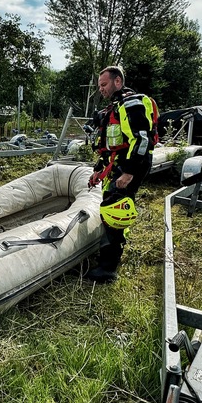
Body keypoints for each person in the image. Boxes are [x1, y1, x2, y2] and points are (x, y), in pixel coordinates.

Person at [86, 65, 158, 284]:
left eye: (104, 84)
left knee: (116, 211)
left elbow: (142, 140)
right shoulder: (115, 109)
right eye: (99, 86)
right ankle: (109, 256)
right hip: (117, 167)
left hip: (128, 167)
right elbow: (112, 145)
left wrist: (129, 172)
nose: (101, 89)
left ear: (118, 82)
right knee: (111, 209)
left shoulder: (132, 105)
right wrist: (100, 168)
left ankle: (107, 270)